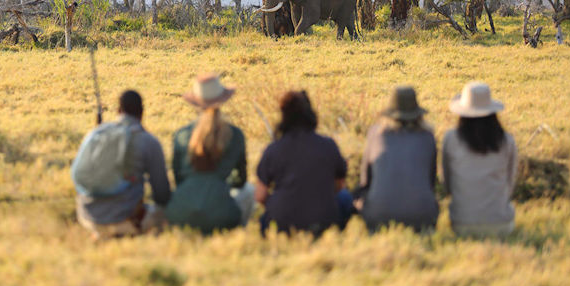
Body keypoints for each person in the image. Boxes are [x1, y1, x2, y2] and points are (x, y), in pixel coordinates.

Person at [72, 90, 171, 240]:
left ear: (118, 111)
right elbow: (162, 194)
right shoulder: (148, 141)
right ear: (142, 112)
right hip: (126, 218)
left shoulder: (97, 133)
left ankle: (100, 233)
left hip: (87, 216)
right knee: (168, 215)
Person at [165, 74, 254, 234]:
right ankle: (239, 231)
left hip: (181, 214)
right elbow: (240, 181)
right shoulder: (235, 135)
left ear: (195, 102)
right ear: (222, 100)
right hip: (223, 215)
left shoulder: (181, 135)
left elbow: (178, 179)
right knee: (249, 191)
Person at [256, 90, 351, 236]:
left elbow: (260, 196)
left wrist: (278, 203)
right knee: (345, 197)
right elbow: (339, 186)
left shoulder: (273, 149)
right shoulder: (328, 145)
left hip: (283, 221)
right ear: (310, 114)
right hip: (324, 219)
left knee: (263, 219)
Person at [355, 86, 438, 233]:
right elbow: (430, 181)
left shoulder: (376, 133)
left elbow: (366, 180)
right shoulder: (427, 136)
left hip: (378, 215)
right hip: (422, 216)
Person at [443, 82, 518, 238]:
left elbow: (448, 184)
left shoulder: (451, 139)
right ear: (492, 113)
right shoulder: (506, 140)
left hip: (461, 224)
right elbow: (510, 184)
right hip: (501, 225)